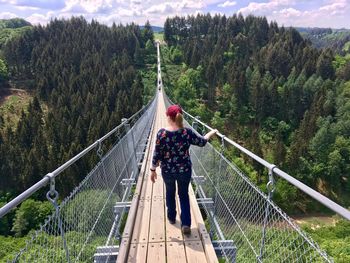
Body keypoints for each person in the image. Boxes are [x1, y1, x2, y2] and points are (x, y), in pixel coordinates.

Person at [150, 104, 217, 235]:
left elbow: (157, 153)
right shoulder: (187, 132)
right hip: (184, 170)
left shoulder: (162, 134)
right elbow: (202, 142)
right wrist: (210, 133)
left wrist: (152, 170)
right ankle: (186, 224)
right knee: (183, 195)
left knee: (170, 192)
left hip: (168, 171)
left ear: (168, 117)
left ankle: (171, 217)